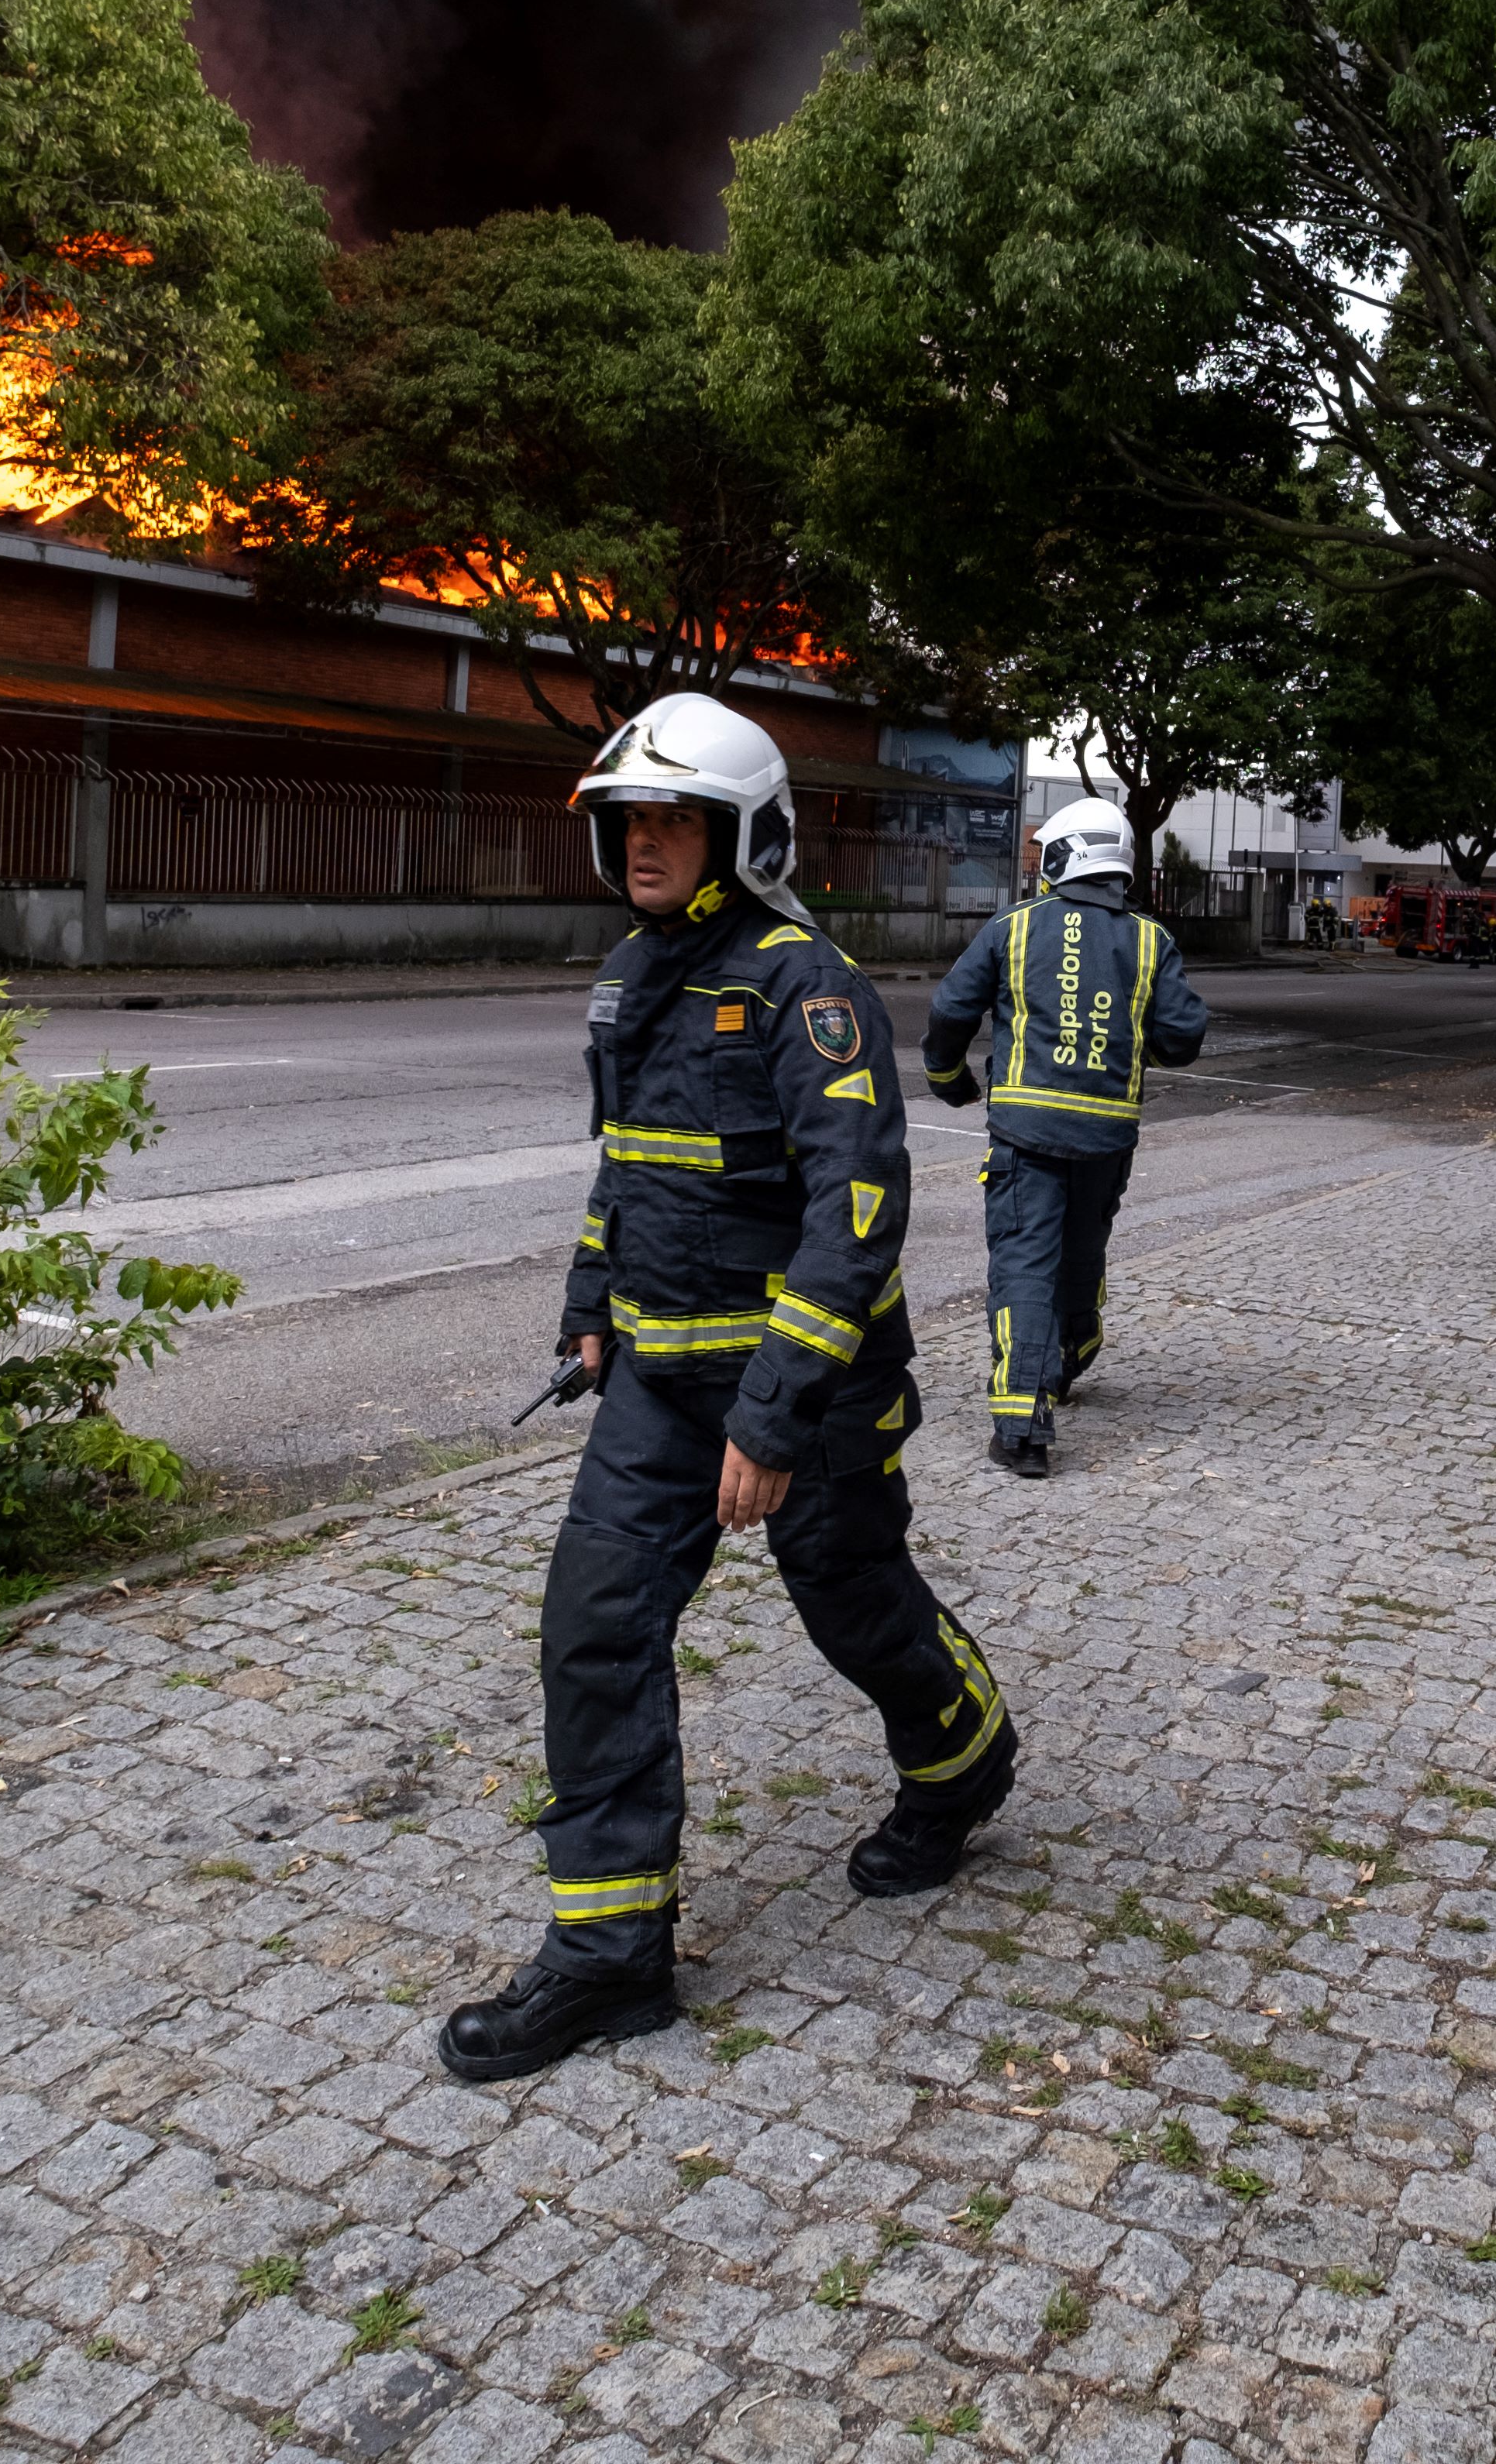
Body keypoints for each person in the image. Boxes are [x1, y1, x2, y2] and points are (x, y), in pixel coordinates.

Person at [435, 692, 1013, 2086]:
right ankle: (613, 1958)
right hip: (653, 1389)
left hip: (800, 1401)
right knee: (593, 1628)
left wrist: (770, 1414)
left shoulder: (806, 988)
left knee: (857, 1607)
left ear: (743, 835)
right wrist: (587, 1315)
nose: (642, 843)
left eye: (672, 817)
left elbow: (857, 1210)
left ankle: (962, 1765)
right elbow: (623, 1169)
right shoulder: (631, 976)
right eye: (629, 820)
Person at [923, 796, 1209, 1479]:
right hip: (1107, 1136)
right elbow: (1183, 1038)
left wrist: (948, 1081)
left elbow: (949, 1013)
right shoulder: (1149, 940)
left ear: (1064, 856)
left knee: (1025, 1263)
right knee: (1081, 1253)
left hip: (1025, 1134)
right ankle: (1069, 1357)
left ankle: (1022, 1421)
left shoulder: (1012, 928)